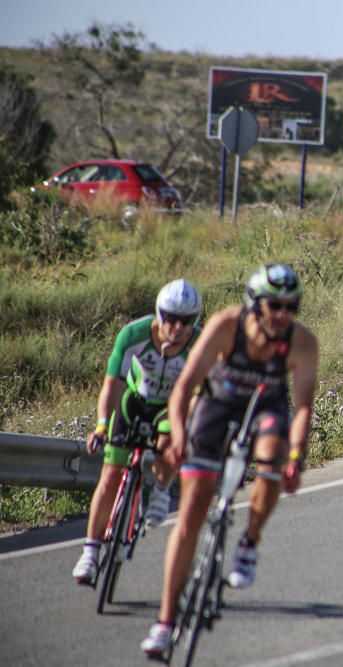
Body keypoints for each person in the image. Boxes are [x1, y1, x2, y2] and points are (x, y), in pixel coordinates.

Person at [140, 264, 318, 658]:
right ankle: (166, 622)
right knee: (191, 513)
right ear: (255, 304)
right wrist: (180, 435)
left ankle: (249, 541)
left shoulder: (302, 342)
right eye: (275, 305)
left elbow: (303, 407)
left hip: (266, 406)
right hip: (217, 403)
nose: (283, 314)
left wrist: (296, 456)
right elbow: (185, 386)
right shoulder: (225, 325)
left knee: (272, 460)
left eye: (292, 306)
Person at [72, 279, 202, 586]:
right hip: (134, 400)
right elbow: (112, 384)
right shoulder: (134, 334)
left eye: (186, 321)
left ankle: (161, 488)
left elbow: (200, 392)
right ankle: (89, 554)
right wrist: (102, 425)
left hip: (170, 406)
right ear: (159, 313)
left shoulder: (199, 344)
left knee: (171, 439)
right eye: (170, 318)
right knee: (111, 473)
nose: (177, 327)